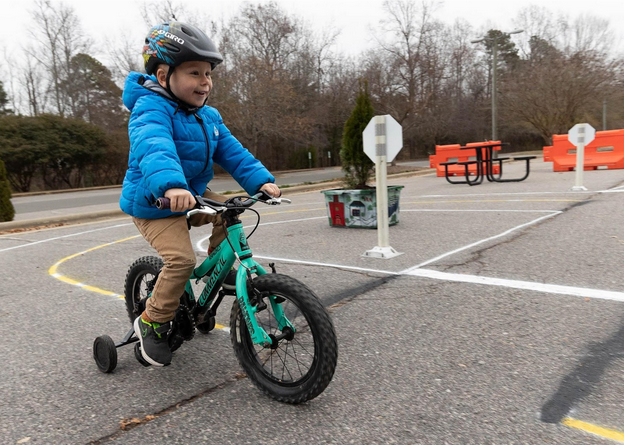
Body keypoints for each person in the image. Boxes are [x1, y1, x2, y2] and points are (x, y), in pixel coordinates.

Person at [120, 21, 281, 367]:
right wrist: (171, 186)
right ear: (163, 76)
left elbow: (233, 152)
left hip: (191, 193)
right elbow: (155, 147)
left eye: (208, 74)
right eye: (195, 73)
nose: (205, 82)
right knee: (180, 261)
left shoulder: (208, 116)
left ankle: (213, 276)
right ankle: (153, 322)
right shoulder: (150, 109)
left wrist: (260, 181)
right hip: (155, 200)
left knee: (231, 214)